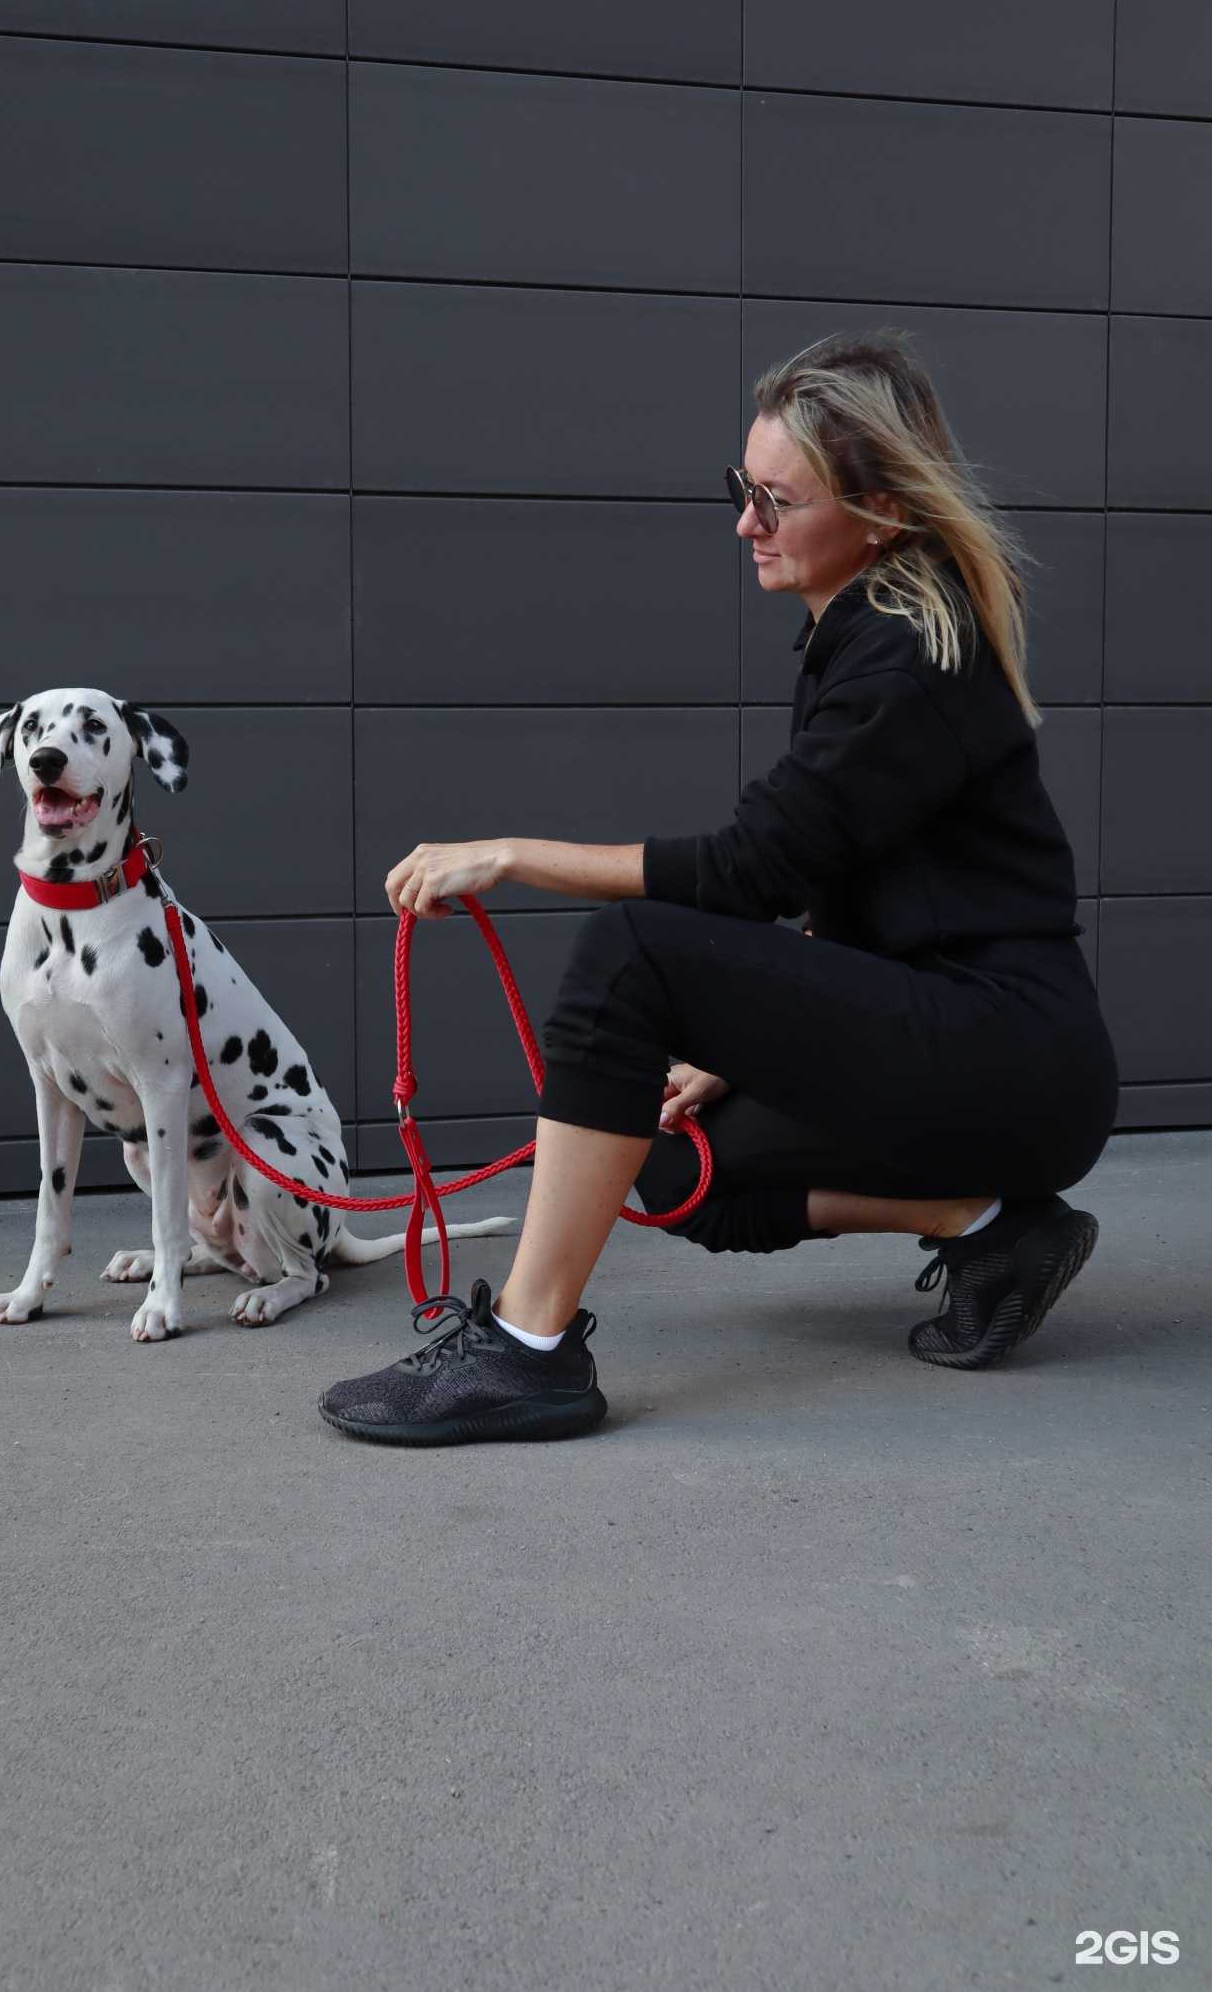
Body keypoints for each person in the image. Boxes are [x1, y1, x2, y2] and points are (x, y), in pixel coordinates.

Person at [318, 332, 1120, 1446]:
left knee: (632, 951)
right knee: (673, 1156)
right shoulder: (863, 633)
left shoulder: (907, 654)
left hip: (1014, 1061)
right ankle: (988, 1226)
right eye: (743, 489)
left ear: (880, 509)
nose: (746, 522)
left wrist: (508, 854)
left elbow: (750, 870)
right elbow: (835, 890)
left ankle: (527, 1350)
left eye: (777, 501)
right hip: (955, 1047)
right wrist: (738, 1043)